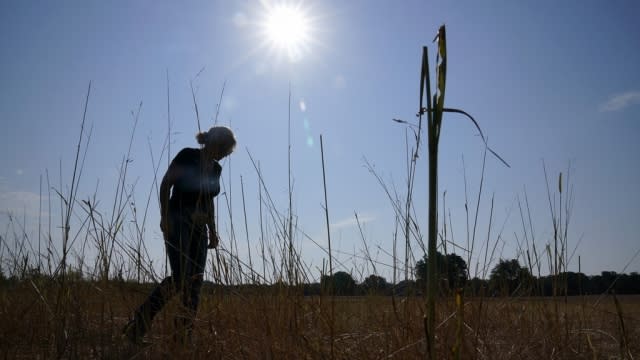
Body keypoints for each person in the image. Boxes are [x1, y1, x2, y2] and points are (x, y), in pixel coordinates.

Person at [123, 126, 236, 345]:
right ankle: (137, 326)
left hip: (199, 228)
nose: (225, 155)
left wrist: (212, 231)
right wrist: (164, 216)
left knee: (195, 282)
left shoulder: (216, 169)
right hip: (178, 219)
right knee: (181, 277)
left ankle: (182, 339)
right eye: (225, 149)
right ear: (215, 143)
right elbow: (166, 184)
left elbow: (208, 201)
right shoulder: (188, 155)